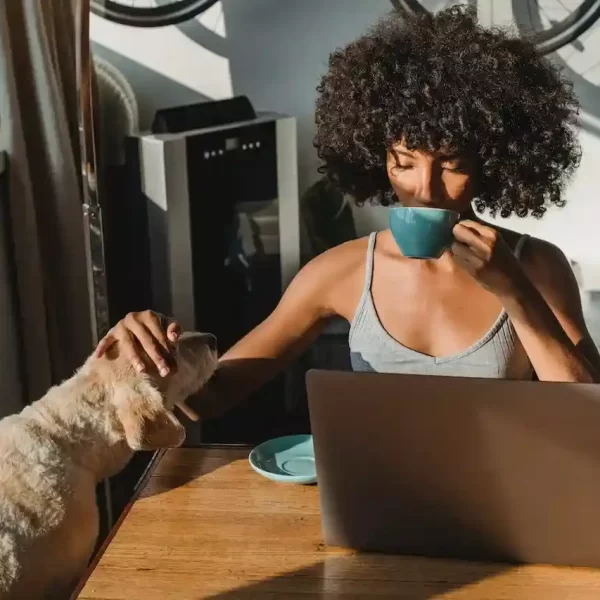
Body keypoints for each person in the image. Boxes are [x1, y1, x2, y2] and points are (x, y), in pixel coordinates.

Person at [95, 6, 600, 419]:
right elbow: (208, 399)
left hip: (505, 500)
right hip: (376, 500)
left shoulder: (535, 266)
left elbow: (587, 417)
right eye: (404, 163)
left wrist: (515, 293)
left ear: (490, 163)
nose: (424, 189)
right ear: (376, 158)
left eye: (452, 165)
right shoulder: (341, 272)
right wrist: (147, 353)